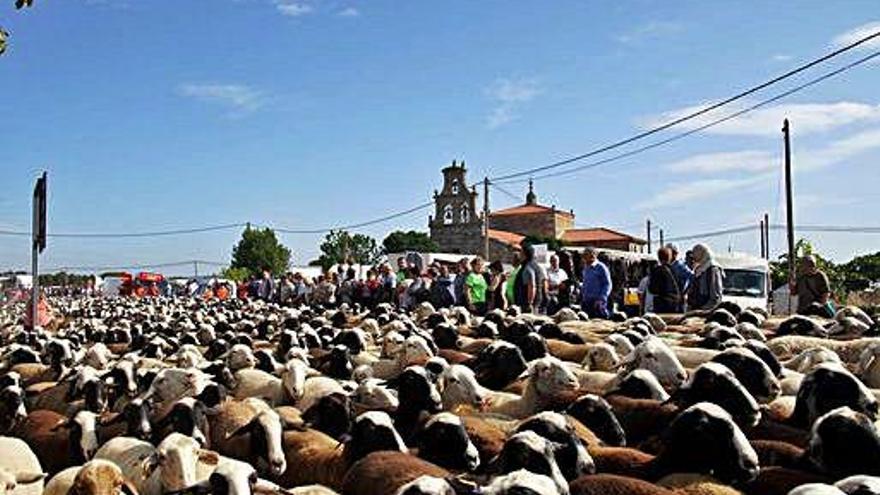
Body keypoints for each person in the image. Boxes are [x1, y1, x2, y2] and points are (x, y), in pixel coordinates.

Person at [687, 244, 724, 311]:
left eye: (695, 252)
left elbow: (715, 296)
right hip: (696, 309)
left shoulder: (713, 269)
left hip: (706, 311)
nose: (693, 256)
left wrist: (704, 310)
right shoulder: (699, 268)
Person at [580, 247, 612, 318]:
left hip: (597, 302)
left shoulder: (601, 267)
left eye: (586, 255)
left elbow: (607, 284)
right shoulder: (586, 267)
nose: (584, 257)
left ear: (592, 255)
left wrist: (602, 298)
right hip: (586, 301)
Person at [513, 243, 544, 313]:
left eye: (520, 252)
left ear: (524, 254)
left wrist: (529, 303)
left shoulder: (527, 268)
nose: (519, 255)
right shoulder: (537, 266)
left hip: (526, 304)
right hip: (535, 303)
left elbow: (532, 286)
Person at [649, 247, 681, 314]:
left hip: (663, 304)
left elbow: (653, 289)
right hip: (676, 303)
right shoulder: (674, 269)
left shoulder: (658, 271)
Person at [667, 244, 694, 311]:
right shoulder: (668, 266)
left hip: (679, 301)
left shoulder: (680, 266)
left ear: (675, 254)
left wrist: (685, 292)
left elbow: (692, 277)